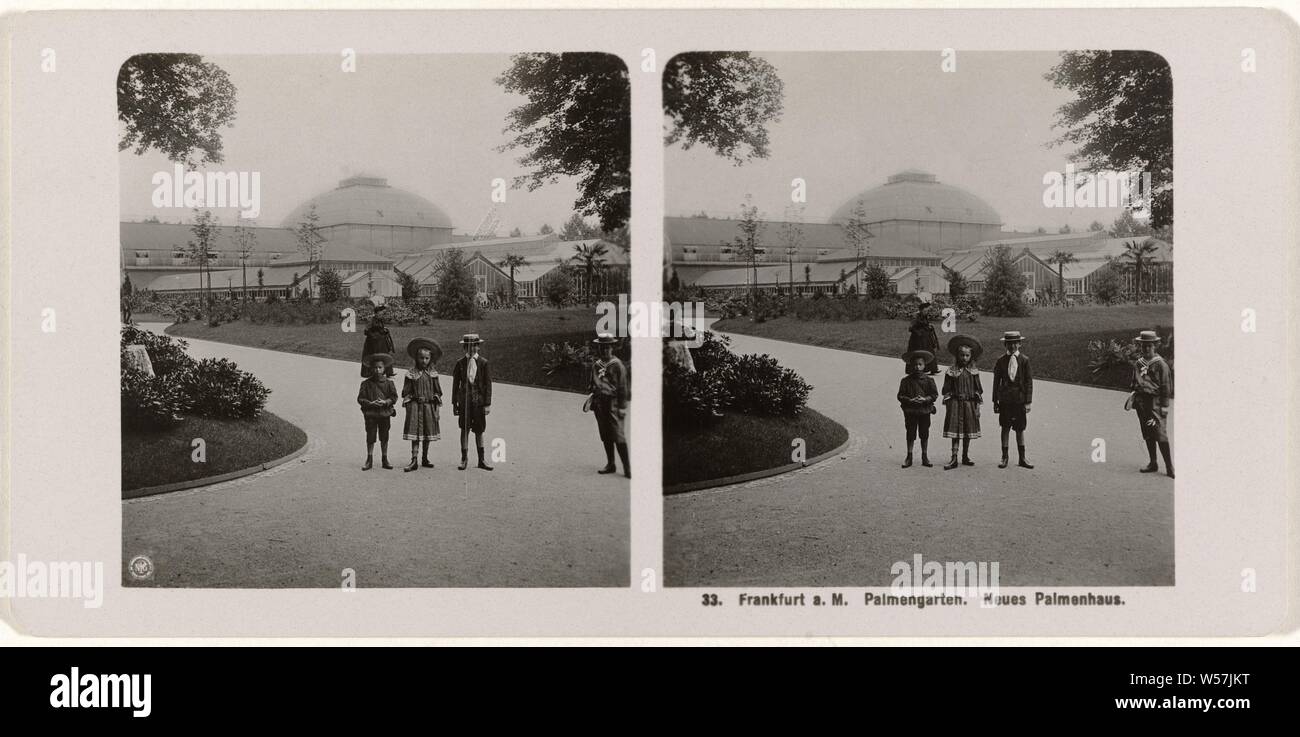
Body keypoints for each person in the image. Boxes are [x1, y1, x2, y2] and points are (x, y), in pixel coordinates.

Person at [1131, 330, 1174, 479]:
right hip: (1142, 403)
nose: (1146, 349)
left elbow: (1166, 386)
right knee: (1148, 433)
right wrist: (1134, 396)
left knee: (1160, 434)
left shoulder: (1160, 364)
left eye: (1149, 346)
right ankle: (1153, 462)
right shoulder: (1138, 363)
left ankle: (1169, 466)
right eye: (1143, 346)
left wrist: (1164, 406)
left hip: (1155, 403)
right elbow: (1134, 382)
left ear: (1155, 346)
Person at [991, 330, 1034, 469]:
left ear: (1020, 344)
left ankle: (1022, 457)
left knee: (1020, 429)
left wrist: (1028, 401)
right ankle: (1004, 456)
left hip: (1019, 399)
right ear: (1005, 344)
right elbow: (996, 381)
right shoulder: (1001, 360)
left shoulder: (1024, 360)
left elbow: (1029, 382)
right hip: (1005, 400)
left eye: (1015, 343)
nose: (1012, 346)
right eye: (1009, 343)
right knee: (1005, 427)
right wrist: (995, 401)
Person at [590, 333, 631, 477]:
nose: (604, 350)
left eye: (607, 348)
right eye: (602, 348)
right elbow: (592, 384)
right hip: (600, 404)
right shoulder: (597, 365)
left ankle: (627, 467)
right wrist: (592, 398)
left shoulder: (617, 365)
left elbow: (623, 387)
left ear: (612, 348)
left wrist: (622, 407)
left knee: (618, 434)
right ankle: (611, 463)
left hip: (613, 403)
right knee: (605, 434)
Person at [941, 334, 984, 470]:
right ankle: (954, 457)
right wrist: (949, 401)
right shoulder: (952, 372)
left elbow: (978, 390)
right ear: (957, 356)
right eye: (962, 355)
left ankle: (965, 456)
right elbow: (945, 390)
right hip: (956, 404)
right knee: (956, 431)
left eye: (967, 355)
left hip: (969, 405)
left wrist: (977, 407)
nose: (964, 358)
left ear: (971, 356)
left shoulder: (973, 372)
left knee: (967, 430)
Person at [452, 334, 493, 471]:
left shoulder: (483, 363)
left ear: (478, 347)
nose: (473, 348)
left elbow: (488, 384)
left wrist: (487, 404)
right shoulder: (460, 363)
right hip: (464, 403)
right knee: (464, 429)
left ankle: (481, 459)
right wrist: (454, 403)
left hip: (479, 403)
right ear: (465, 347)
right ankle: (464, 458)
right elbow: (455, 384)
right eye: (469, 346)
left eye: (475, 345)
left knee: (479, 430)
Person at [400, 338, 443, 472]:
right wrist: (412, 399)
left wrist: (435, 402)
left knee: (427, 431)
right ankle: (414, 459)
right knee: (416, 433)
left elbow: (438, 391)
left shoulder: (433, 374)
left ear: (430, 359)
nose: (423, 361)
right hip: (416, 407)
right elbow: (405, 392)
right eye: (421, 358)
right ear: (416, 358)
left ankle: (425, 457)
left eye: (426, 358)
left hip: (429, 407)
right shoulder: (411, 374)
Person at [897, 350, 939, 468]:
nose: (917, 367)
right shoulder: (905, 381)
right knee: (910, 433)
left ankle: (924, 456)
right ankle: (909, 456)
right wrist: (910, 400)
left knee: (924, 433)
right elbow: (900, 395)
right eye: (915, 364)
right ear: (911, 365)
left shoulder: (929, 380)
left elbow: (934, 394)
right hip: (910, 411)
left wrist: (925, 399)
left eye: (920, 364)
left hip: (924, 411)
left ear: (924, 365)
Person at [356, 353, 398, 471]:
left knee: (384, 436)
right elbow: (360, 398)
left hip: (385, 413)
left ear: (384, 369)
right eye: (375, 367)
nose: (377, 370)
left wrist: (386, 402)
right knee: (370, 436)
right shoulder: (366, 384)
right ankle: (369, 458)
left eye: (380, 367)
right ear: (371, 369)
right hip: (371, 414)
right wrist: (370, 403)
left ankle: (385, 458)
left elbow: (394, 397)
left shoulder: (389, 383)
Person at [360, 305, 396, 378]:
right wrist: (374, 336)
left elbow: (380, 329)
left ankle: (388, 372)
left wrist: (384, 330)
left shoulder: (380, 320)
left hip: (381, 342)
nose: (381, 315)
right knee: (373, 356)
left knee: (385, 355)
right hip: (373, 343)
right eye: (379, 314)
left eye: (381, 314)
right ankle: (369, 372)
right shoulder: (371, 321)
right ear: (376, 313)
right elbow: (366, 331)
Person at [906, 303, 941, 374]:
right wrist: (919, 333)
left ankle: (933, 369)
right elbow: (911, 328)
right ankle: (914, 369)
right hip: (917, 339)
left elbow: (925, 324)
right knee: (918, 353)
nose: (926, 312)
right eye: (925, 311)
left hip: (926, 338)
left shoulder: (925, 316)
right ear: (921, 310)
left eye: (927, 311)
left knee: (930, 352)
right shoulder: (916, 317)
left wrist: (929, 327)